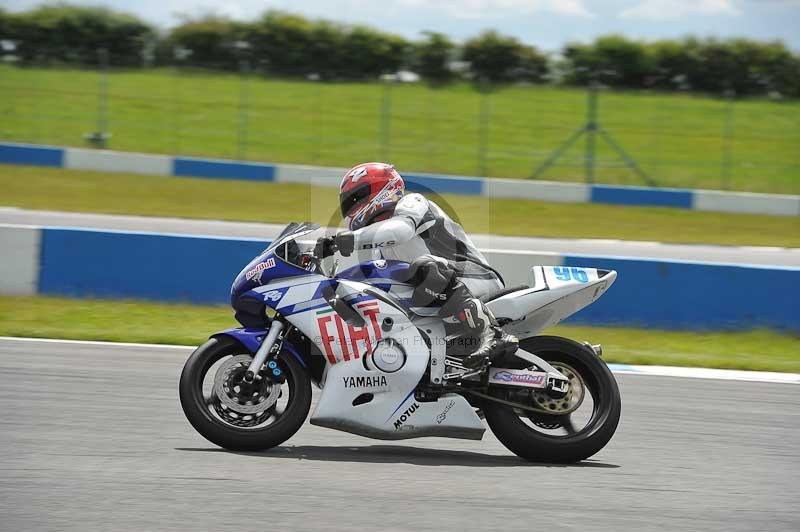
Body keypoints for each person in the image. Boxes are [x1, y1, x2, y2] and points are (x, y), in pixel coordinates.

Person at [315, 162, 518, 369]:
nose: (353, 206)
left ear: (383, 189)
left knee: (426, 266)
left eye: (357, 198)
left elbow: (399, 230)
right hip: (440, 298)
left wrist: (345, 240)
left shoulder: (412, 204)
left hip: (476, 278)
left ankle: (492, 333)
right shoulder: (380, 248)